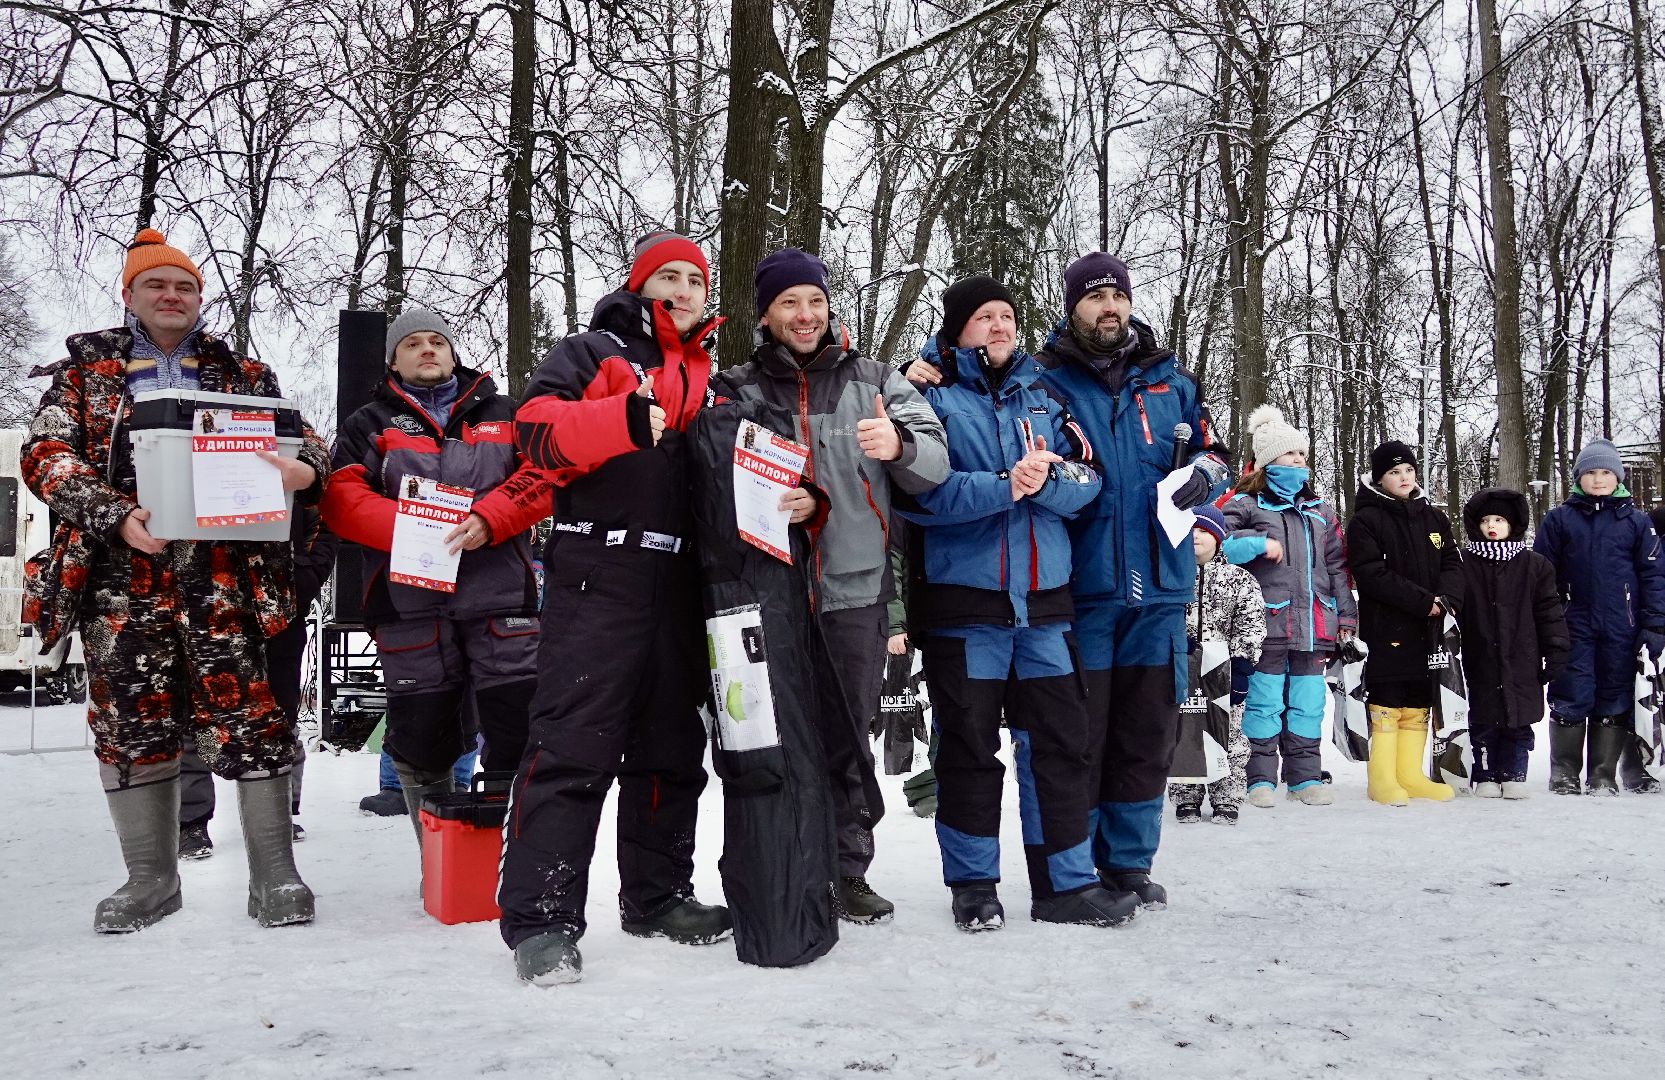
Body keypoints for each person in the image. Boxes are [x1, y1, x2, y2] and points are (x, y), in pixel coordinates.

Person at [21, 227, 330, 931]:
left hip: (228, 578)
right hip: (118, 579)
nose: (172, 296)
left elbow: (308, 441)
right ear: (129, 296)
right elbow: (44, 455)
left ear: (199, 299)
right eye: (156, 285)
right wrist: (114, 513)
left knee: (254, 717)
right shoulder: (83, 375)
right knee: (132, 721)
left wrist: (304, 471)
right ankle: (150, 880)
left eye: (184, 286)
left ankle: (275, 876)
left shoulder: (244, 375)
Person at [500, 231, 731, 985]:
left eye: (695, 280)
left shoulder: (713, 381)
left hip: (682, 582)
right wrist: (618, 421)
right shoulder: (589, 351)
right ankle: (543, 919)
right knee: (574, 743)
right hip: (598, 570)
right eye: (668, 277)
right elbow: (531, 432)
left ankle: (657, 895)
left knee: (671, 750)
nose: (683, 291)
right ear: (639, 286)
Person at [712, 247, 950, 923]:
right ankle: (784, 867)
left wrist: (897, 445)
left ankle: (847, 870)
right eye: (790, 302)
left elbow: (935, 465)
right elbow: (708, 477)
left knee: (849, 735)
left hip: (853, 592)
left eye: (814, 300)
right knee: (772, 740)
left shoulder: (874, 381)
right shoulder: (736, 389)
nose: (805, 314)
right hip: (766, 596)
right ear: (766, 314)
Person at [898, 274, 1138, 931]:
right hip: (963, 610)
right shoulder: (928, 397)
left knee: (1059, 747)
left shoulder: (1044, 395)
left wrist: (1046, 481)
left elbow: (1088, 481)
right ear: (956, 329)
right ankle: (973, 887)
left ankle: (1065, 885)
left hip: (1045, 609)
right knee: (968, 750)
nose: (999, 326)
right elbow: (919, 495)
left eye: (1006, 315)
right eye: (983, 318)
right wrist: (1005, 487)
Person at [1021, 253, 1229, 909]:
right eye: (1094, 297)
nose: (1108, 307)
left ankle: (1128, 865)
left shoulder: (1173, 383)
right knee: (1081, 737)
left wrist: (1205, 478)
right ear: (1071, 305)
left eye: (1117, 296)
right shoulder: (1044, 381)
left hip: (1161, 592)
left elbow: (1215, 454)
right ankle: (1078, 870)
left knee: (1145, 736)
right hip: (1082, 592)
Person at [322, 307, 550, 869]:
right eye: (413, 344)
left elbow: (543, 476)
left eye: (437, 342)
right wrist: (418, 529)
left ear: (453, 353)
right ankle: (443, 864)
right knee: (421, 735)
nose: (427, 350)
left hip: (502, 600)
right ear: (393, 359)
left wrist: (492, 517)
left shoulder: (505, 411)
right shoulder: (368, 423)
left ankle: (513, 863)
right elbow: (342, 500)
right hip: (410, 605)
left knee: (514, 728)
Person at [178, 504, 336, 857]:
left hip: (279, 607)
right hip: (201, 603)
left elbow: (324, 523)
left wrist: (300, 580)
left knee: (280, 718)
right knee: (191, 715)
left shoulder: (296, 454)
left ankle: (280, 813)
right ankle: (190, 822)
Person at [1221, 405, 1354, 809]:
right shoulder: (1246, 504)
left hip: (1315, 624)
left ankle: (1305, 777)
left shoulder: (1321, 512)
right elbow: (1217, 545)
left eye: (1302, 454)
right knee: (1264, 703)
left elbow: (1337, 567)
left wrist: (1346, 616)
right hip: (1266, 624)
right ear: (1267, 461)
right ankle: (1259, 777)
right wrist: (1258, 544)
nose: (1300, 460)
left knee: (1307, 704)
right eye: (1290, 454)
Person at [1533, 440, 1665, 795]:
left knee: (1614, 695)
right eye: (1591, 472)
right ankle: (1564, 772)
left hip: (1623, 627)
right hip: (1572, 624)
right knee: (1572, 692)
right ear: (1578, 477)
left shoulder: (1636, 522)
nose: (1598, 479)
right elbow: (1542, 574)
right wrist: (1547, 620)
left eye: (1606, 472)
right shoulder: (1560, 519)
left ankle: (1602, 774)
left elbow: (1653, 575)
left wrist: (1654, 623)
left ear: (1618, 477)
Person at [1345, 441, 1465, 806]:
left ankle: (1409, 776)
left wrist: (1446, 600)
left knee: (1418, 698)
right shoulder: (1366, 519)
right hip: (1387, 627)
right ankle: (1381, 780)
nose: (1404, 478)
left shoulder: (1433, 516)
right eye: (1395, 472)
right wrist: (1421, 601)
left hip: (1429, 629)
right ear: (1380, 479)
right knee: (1388, 698)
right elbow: (1370, 573)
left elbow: (1452, 562)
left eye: (1409, 471)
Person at [1458, 488, 1569, 798]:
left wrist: (1556, 649)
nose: (1492, 525)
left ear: (1514, 524)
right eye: (1485, 520)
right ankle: (1485, 774)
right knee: (1482, 720)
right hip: (1478, 657)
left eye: (1500, 519)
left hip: (1522, 658)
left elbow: (1549, 611)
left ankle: (1514, 772)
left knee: (1518, 722)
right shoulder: (1464, 564)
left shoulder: (1535, 566)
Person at [1168, 505, 1264, 825]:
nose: (1196, 536)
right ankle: (1187, 795)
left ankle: (1226, 796)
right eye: (1190, 529)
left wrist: (1241, 664)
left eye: (1204, 530)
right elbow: (1160, 619)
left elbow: (1251, 623)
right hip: (1183, 667)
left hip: (1223, 668)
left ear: (1219, 537)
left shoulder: (1239, 580)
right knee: (1185, 730)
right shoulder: (1171, 577)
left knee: (1228, 733)